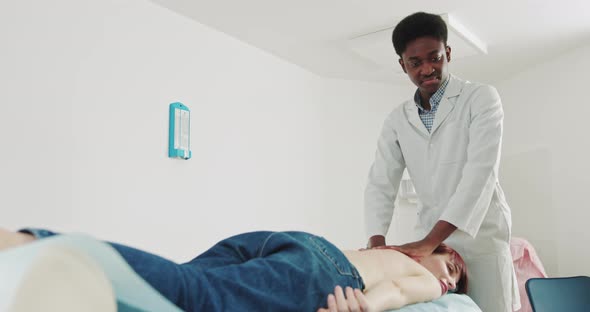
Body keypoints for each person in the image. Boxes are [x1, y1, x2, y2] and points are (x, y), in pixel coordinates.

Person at [363, 12, 519, 312]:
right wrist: (376, 245)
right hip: (433, 249)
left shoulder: (481, 98)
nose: (427, 68)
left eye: (434, 57)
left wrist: (427, 242)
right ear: (402, 65)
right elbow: (380, 182)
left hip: (479, 239)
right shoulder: (397, 119)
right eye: (415, 63)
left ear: (448, 52)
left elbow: (480, 175)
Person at [0, 228, 467, 312]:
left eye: (453, 284)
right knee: (194, 295)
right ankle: (25, 246)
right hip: (325, 270)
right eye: (449, 267)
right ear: (430, 255)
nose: (447, 282)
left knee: (181, 282)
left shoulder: (391, 256)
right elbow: (395, 293)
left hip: (294, 241)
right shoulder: (423, 275)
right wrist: (365, 305)